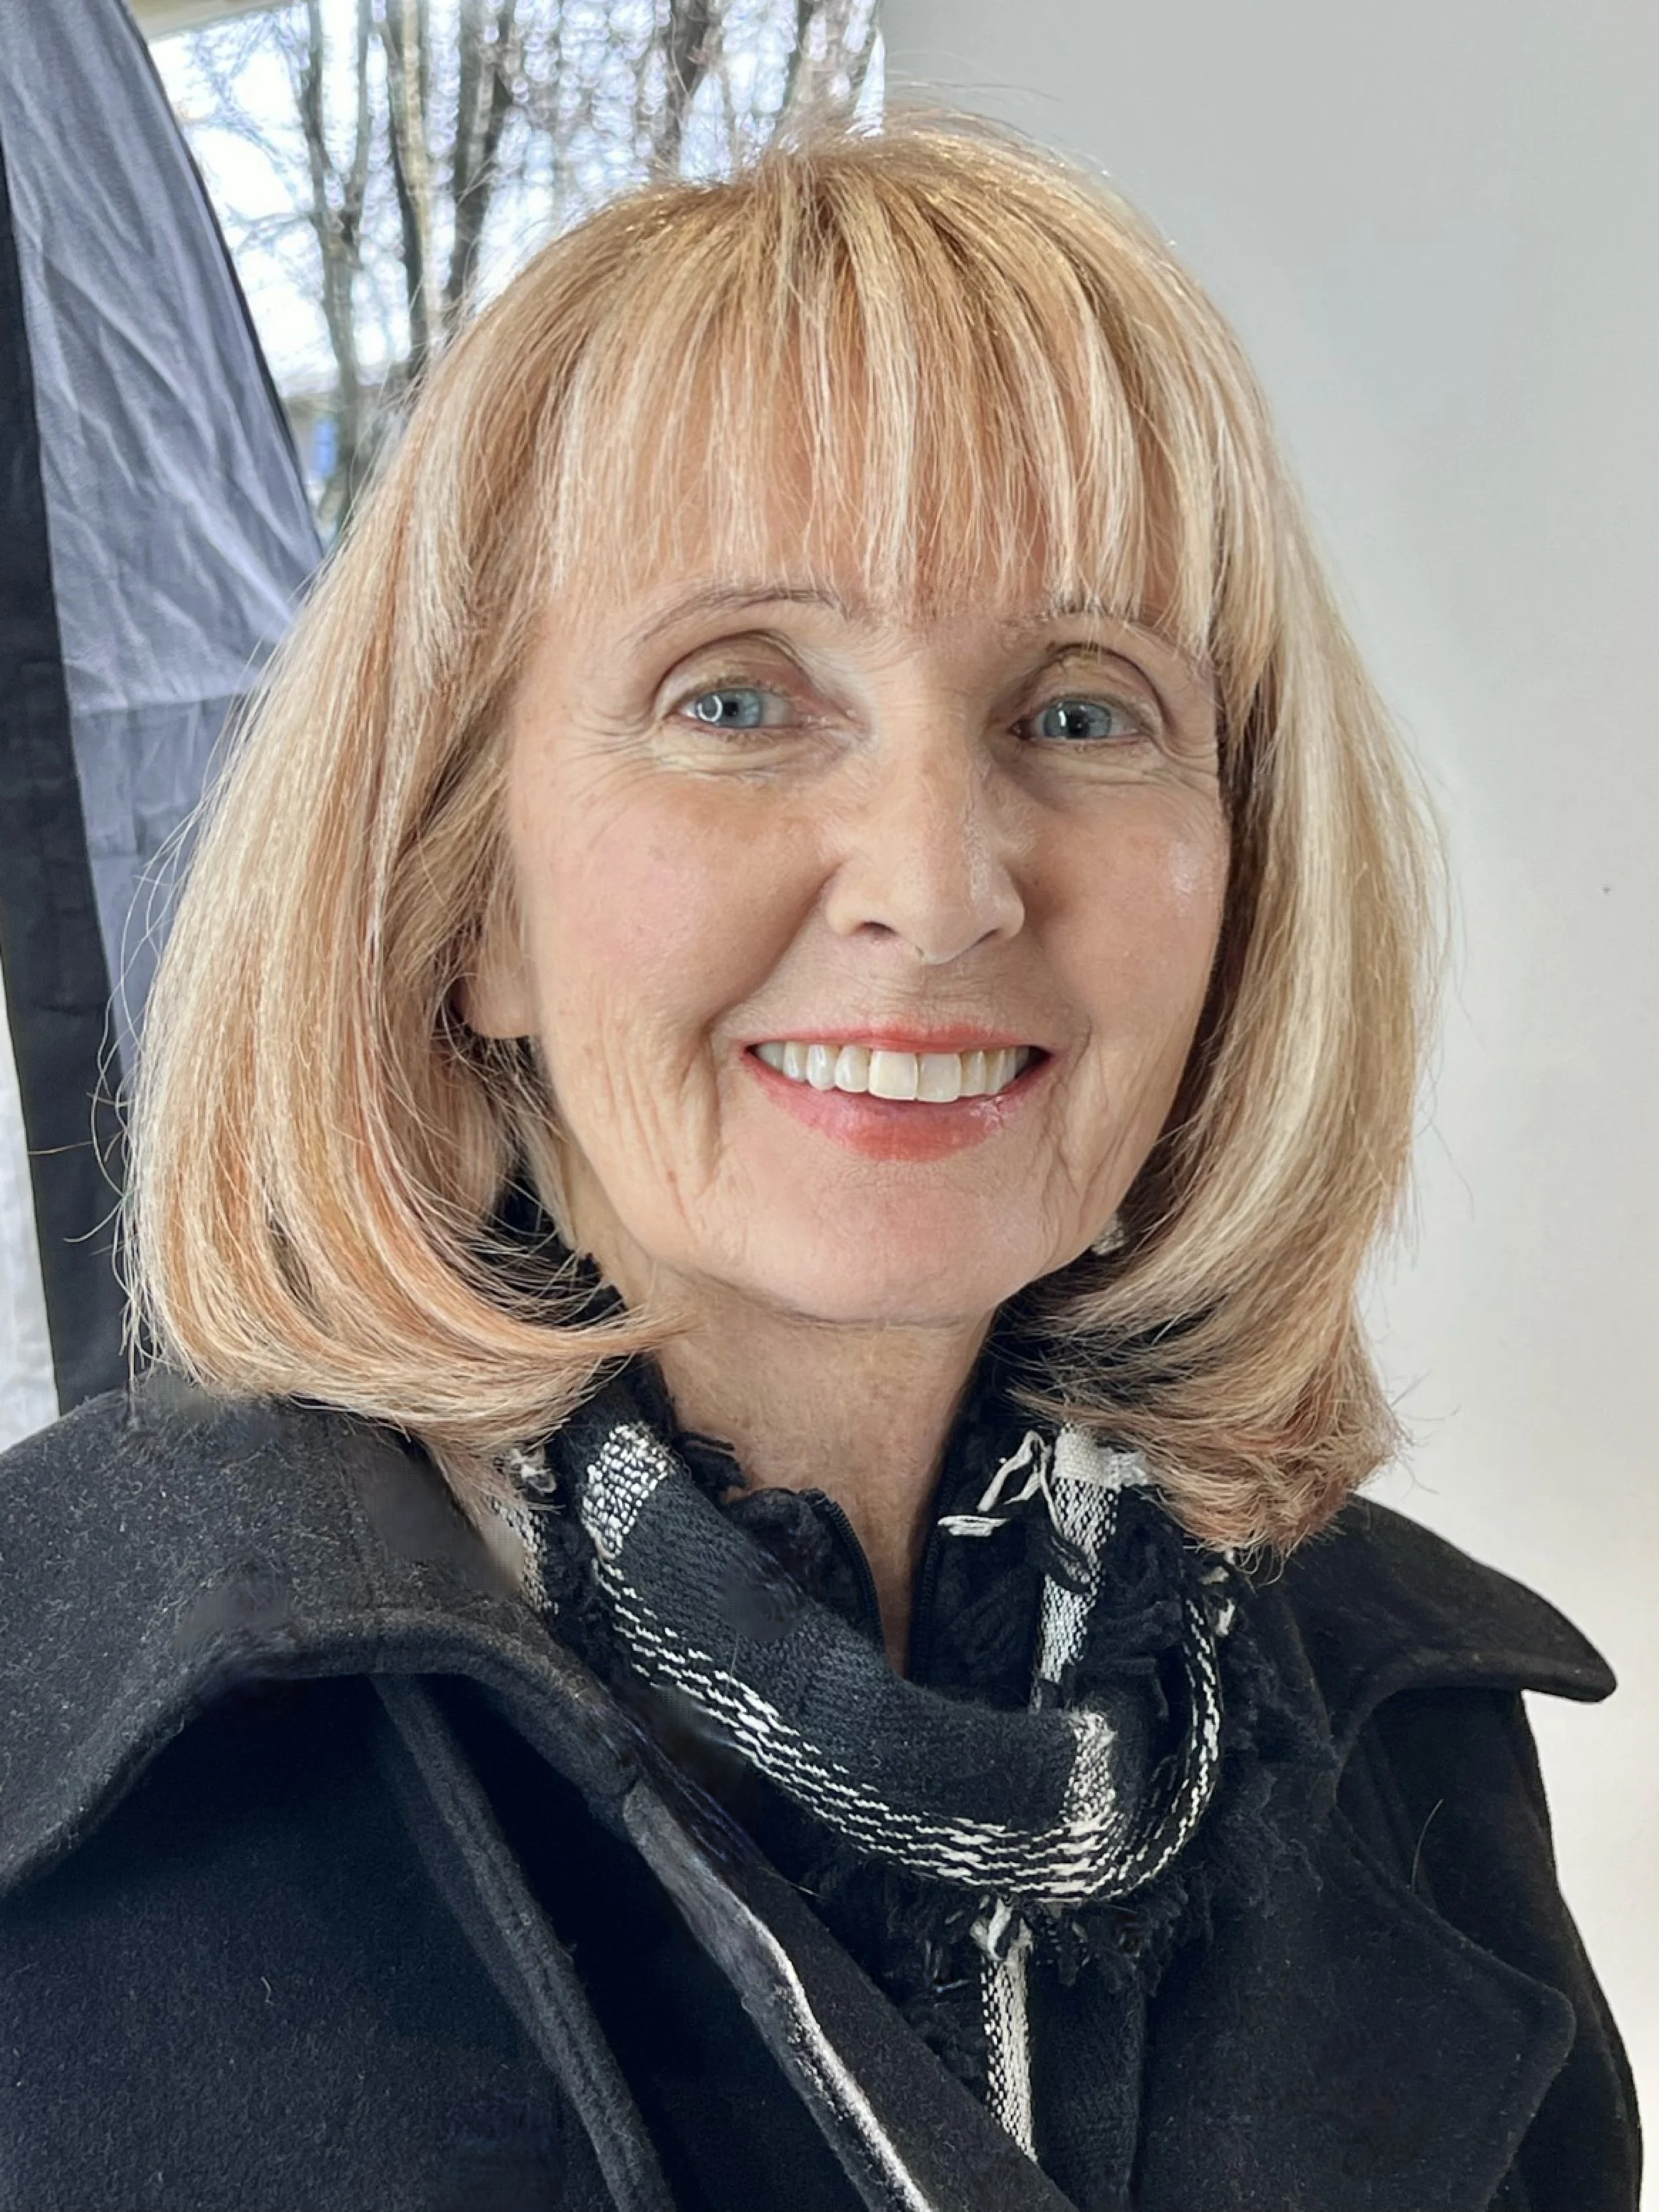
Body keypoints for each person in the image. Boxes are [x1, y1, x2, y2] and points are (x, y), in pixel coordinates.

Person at [0, 117, 1638, 2212]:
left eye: (1078, 712)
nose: (942, 885)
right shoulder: (72, 1754)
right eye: (740, 695)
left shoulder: (1415, 1738)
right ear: (464, 897)